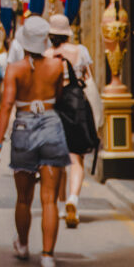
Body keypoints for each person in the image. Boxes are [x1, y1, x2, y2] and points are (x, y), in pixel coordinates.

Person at [0, 14, 70, 267]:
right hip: (50, 125)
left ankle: (23, 245)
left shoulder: (14, 69)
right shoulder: (57, 66)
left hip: (24, 127)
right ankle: (48, 256)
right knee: (49, 199)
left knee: (24, 198)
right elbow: (58, 96)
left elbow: (6, 106)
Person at [46, 12, 98, 229]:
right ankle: (72, 199)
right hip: (76, 106)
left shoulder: (46, 54)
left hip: (54, 108)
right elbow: (88, 77)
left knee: (58, 158)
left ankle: (59, 205)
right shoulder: (80, 51)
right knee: (76, 158)